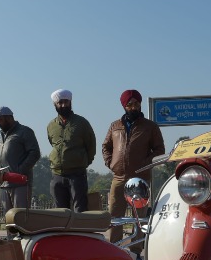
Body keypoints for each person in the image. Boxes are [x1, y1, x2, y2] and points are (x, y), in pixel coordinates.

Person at [102, 89, 165, 244]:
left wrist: (146, 163)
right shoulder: (115, 126)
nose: (133, 107)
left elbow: (159, 150)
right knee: (115, 215)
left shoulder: (150, 127)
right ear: (124, 106)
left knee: (140, 217)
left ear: (140, 104)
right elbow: (106, 146)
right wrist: (111, 163)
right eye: (130, 105)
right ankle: (114, 247)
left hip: (140, 178)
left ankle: (136, 249)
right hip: (119, 177)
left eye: (136, 104)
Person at [46, 89, 96, 212]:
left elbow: (91, 146)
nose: (63, 105)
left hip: (77, 174)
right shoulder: (51, 125)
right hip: (57, 174)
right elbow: (52, 143)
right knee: (60, 212)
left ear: (70, 102)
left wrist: (81, 162)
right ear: (55, 105)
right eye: (60, 102)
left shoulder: (82, 123)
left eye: (66, 102)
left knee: (80, 210)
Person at [0, 106, 40, 213]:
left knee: (20, 219)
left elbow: (35, 153)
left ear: (9, 118)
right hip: (4, 184)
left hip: (20, 183)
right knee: (9, 220)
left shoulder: (24, 131)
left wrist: (19, 171)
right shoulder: (1, 135)